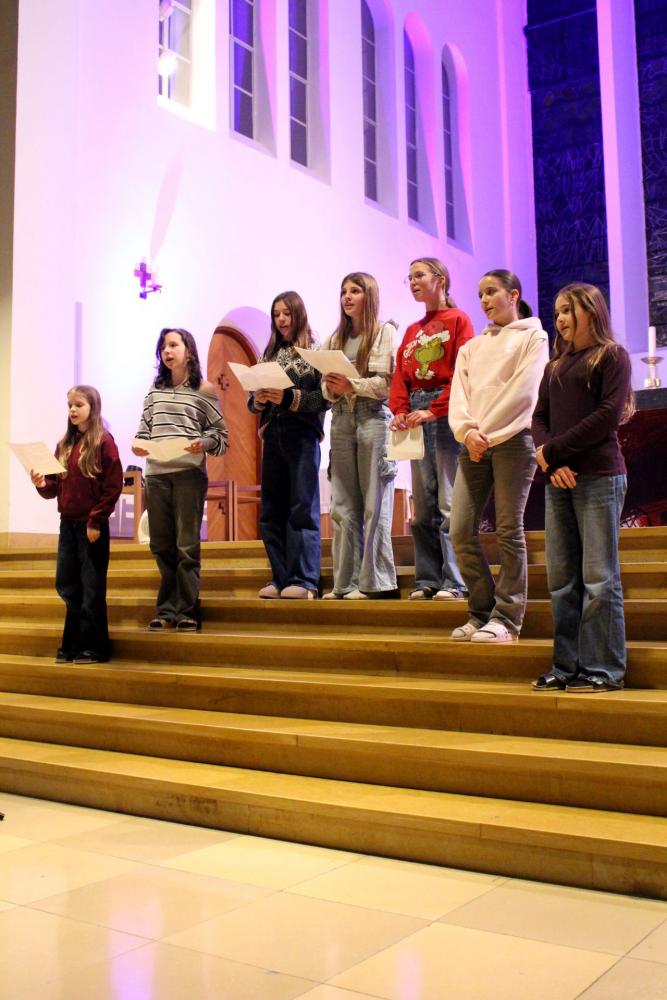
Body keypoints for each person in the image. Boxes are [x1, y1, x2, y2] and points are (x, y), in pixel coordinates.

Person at [531, 283, 633, 691]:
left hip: (598, 476)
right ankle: (566, 666)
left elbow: (607, 416)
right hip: (559, 478)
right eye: (557, 311)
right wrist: (551, 460)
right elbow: (539, 418)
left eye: (567, 310)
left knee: (599, 578)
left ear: (591, 310)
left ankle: (603, 669)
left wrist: (553, 452)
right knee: (562, 579)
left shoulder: (611, 356)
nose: (559, 319)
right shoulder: (555, 365)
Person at [448, 269, 549, 642]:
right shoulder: (471, 347)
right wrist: (467, 432)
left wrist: (484, 432)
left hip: (513, 441)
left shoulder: (534, 337)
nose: (485, 300)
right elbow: (459, 395)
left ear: (514, 295)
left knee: (508, 529)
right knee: (460, 530)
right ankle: (480, 612)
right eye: (480, 295)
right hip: (474, 442)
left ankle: (507, 619)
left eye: (491, 291)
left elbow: (525, 391)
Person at [389, 257, 473, 600]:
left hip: (444, 410)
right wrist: (400, 409)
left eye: (419, 275)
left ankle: (455, 580)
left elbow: (464, 372)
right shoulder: (412, 330)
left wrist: (435, 409)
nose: (412, 282)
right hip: (415, 412)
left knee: (447, 499)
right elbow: (400, 375)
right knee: (422, 504)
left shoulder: (458, 320)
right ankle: (428, 578)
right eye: (409, 277)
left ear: (440, 279)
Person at [132, 328, 228, 630]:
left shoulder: (204, 389)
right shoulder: (154, 391)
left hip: (188, 474)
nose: (167, 351)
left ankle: (186, 610)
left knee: (186, 546)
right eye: (163, 346)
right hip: (157, 475)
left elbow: (221, 436)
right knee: (161, 545)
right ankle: (166, 610)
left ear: (188, 350)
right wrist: (139, 444)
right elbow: (144, 429)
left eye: (173, 345)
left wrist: (203, 442)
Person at [32, 385, 123, 663]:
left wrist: (96, 520)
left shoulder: (103, 441)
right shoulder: (64, 445)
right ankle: (71, 644)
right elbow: (53, 488)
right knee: (67, 584)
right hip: (68, 524)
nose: (72, 409)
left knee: (92, 586)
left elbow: (113, 486)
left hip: (90, 525)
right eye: (70, 405)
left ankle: (95, 646)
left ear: (92, 408)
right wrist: (41, 483)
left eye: (79, 405)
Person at [321, 272, 398, 599]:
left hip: (372, 417)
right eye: (344, 292)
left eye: (355, 291)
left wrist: (351, 384)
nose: (347, 297)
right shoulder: (334, 339)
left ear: (370, 296)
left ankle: (374, 582)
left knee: (373, 503)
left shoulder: (383, 332)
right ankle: (345, 583)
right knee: (342, 505)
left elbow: (386, 384)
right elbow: (325, 389)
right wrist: (332, 388)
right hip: (341, 418)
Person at [249, 291, 328, 599]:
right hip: (273, 435)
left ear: (299, 314)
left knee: (301, 508)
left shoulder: (315, 351)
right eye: (276, 314)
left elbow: (323, 400)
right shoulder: (268, 354)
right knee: (271, 510)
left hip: (302, 435)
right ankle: (279, 578)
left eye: (286, 313)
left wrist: (287, 397)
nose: (281, 319)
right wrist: (258, 399)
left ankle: (305, 580)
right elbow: (252, 402)